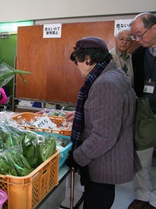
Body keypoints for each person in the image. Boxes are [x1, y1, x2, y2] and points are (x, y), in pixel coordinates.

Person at [65, 36, 141, 209]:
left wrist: (77, 157)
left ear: (88, 59)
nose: (77, 67)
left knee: (97, 201)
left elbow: (104, 136)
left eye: (77, 61)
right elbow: (110, 112)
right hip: (110, 159)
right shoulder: (115, 74)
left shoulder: (105, 84)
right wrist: (83, 113)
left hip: (104, 163)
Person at [128, 12, 156, 209]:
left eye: (140, 34)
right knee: (142, 156)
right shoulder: (137, 55)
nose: (137, 39)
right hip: (144, 113)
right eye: (135, 36)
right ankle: (143, 196)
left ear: (154, 28)